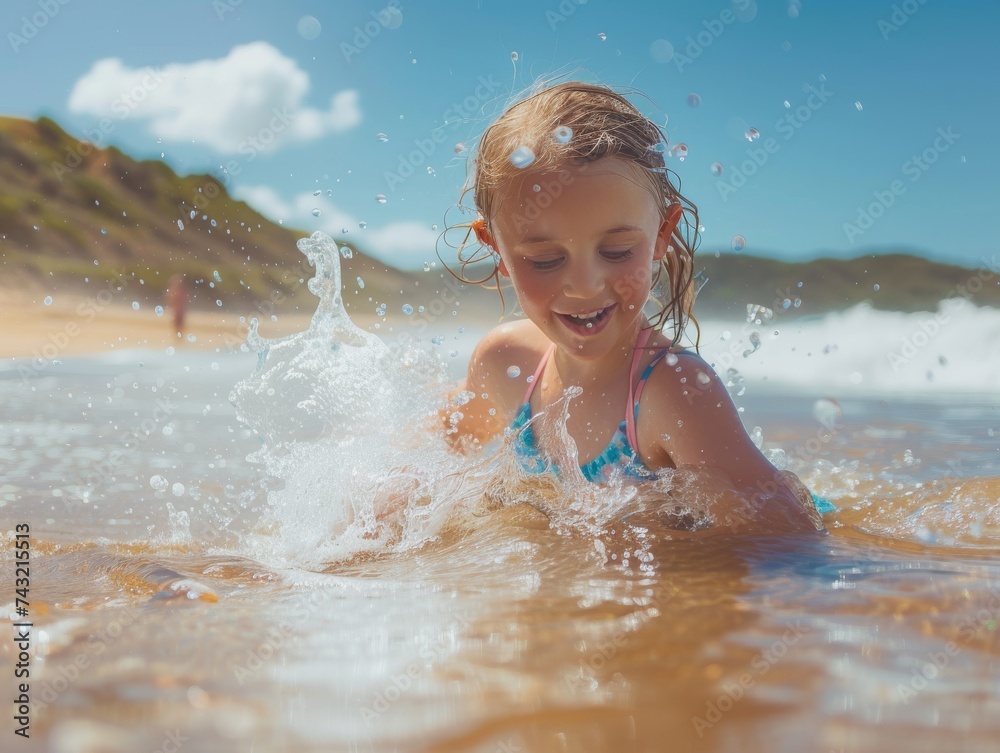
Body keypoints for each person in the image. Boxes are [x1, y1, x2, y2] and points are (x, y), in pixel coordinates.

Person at [442, 81, 825, 532]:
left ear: (662, 234)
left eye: (618, 250)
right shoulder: (505, 363)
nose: (585, 287)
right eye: (544, 259)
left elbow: (788, 537)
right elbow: (434, 451)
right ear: (497, 249)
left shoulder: (673, 393)